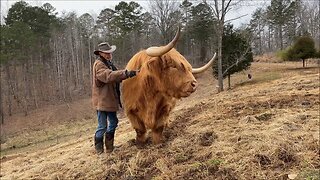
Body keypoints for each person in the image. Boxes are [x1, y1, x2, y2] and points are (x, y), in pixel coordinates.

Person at [92, 42, 138, 154]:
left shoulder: (108, 63)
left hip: (110, 100)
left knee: (113, 122)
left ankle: (109, 148)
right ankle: (99, 150)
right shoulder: (99, 65)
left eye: (110, 52)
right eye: (107, 53)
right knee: (102, 126)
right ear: (101, 53)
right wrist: (127, 73)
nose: (109, 54)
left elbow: (116, 76)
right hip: (102, 101)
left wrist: (130, 74)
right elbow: (109, 76)